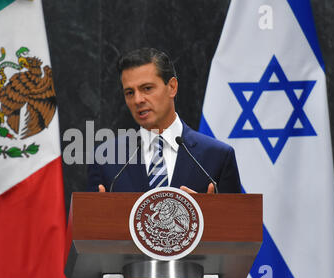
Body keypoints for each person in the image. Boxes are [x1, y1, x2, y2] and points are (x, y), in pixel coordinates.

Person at [87, 47, 241, 195]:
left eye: (147, 88)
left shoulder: (217, 157)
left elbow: (237, 219)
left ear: (172, 87)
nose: (138, 100)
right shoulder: (105, 158)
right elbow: (89, 220)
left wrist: (208, 212)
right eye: (129, 92)